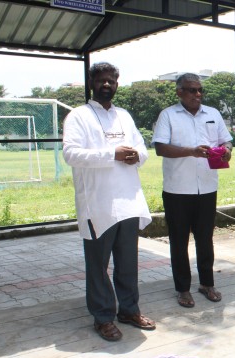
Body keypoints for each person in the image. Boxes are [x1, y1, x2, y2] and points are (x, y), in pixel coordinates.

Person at [63, 62, 155, 341]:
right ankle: (103, 317)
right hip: (98, 203)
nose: (106, 84)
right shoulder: (79, 116)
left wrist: (136, 156)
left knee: (128, 262)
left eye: (111, 81)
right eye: (101, 80)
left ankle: (129, 310)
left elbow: (142, 148)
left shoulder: (124, 115)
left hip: (128, 201)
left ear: (117, 84)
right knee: (98, 265)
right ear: (92, 83)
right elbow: (71, 154)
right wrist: (112, 154)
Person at [152, 73, 233, 308]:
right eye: (191, 90)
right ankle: (183, 289)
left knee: (205, 239)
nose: (197, 94)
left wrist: (227, 150)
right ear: (179, 92)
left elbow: (226, 140)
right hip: (177, 189)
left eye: (200, 90)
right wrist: (191, 151)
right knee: (179, 241)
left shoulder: (213, 114)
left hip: (207, 186)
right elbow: (160, 148)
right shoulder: (168, 115)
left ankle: (207, 283)